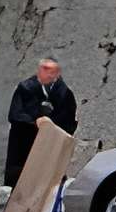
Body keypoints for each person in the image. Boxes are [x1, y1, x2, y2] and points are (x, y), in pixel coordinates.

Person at [5, 56, 78, 188]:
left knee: (48, 188)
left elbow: (69, 123)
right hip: (24, 147)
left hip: (49, 147)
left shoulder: (65, 94)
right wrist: (35, 122)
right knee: (19, 187)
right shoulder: (25, 88)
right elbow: (14, 115)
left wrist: (50, 126)